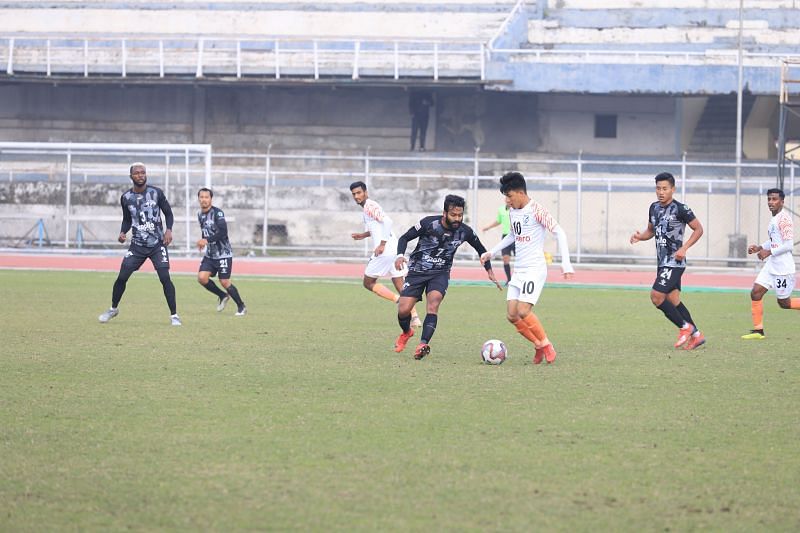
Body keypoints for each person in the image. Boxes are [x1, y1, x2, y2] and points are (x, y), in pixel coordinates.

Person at [480, 172, 574, 364]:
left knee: (523, 310)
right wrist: (492, 252)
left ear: (520, 193)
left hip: (534, 268)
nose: (507, 200)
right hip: (519, 270)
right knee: (512, 315)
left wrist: (566, 264)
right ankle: (538, 345)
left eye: (509, 196)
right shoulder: (512, 211)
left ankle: (547, 344)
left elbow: (560, 233)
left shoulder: (537, 210)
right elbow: (513, 235)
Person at [394, 194, 502, 360]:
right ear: (444, 213)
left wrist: (489, 270)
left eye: (460, 215)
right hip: (417, 270)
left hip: (440, 273)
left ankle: (423, 344)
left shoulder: (465, 231)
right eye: (453, 215)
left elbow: (481, 250)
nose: (457, 218)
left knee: (434, 303)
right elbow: (404, 238)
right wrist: (400, 255)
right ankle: (407, 332)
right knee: (403, 310)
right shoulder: (428, 223)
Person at [98, 162, 180, 326]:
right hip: (137, 245)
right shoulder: (126, 197)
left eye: (143, 172)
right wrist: (123, 232)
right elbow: (127, 219)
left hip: (157, 244)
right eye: (137, 173)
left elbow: (168, 214)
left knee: (165, 278)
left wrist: (169, 230)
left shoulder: (156, 193)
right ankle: (113, 309)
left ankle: (174, 316)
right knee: (122, 277)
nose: (140, 175)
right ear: (131, 176)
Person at [630, 172, 705, 350]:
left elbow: (699, 229)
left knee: (656, 296)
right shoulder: (653, 208)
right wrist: (641, 237)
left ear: (673, 189)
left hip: (675, 262)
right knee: (673, 299)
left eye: (665, 188)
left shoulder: (681, 209)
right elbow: (651, 231)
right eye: (658, 188)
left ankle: (685, 327)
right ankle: (697, 335)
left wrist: (684, 248)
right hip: (662, 262)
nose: (661, 192)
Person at [349, 181, 421, 328]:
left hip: (385, 250)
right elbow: (378, 226)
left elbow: (388, 222)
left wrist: (381, 244)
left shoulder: (370, 206)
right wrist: (363, 235)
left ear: (365, 192)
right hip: (394, 249)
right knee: (399, 283)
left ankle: (398, 300)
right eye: (354, 194)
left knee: (368, 283)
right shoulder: (368, 208)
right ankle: (415, 317)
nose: (356, 196)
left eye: (359, 193)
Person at [741, 188, 799, 339]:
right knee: (755, 292)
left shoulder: (784, 219)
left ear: (782, 202)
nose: (771, 202)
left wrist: (768, 252)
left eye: (774, 199)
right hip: (772, 266)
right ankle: (758, 331)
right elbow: (775, 241)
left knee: (784, 303)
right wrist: (760, 247)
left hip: (783, 269)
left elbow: (788, 245)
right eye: (769, 199)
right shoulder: (774, 219)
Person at [196, 187, 247, 316]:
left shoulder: (217, 213)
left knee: (224, 281)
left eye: (206, 197)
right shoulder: (199, 214)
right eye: (201, 197)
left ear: (211, 199)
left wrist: (206, 240)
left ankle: (241, 306)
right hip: (210, 255)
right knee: (202, 278)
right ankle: (223, 295)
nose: (204, 200)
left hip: (223, 254)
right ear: (198, 199)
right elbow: (206, 230)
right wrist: (204, 241)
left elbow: (223, 232)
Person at [482, 195, 515, 285]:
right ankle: (509, 280)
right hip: (506, 237)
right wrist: (487, 227)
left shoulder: (517, 210)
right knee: (505, 259)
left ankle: (520, 280)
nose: (508, 200)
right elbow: (498, 221)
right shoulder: (501, 210)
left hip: (517, 237)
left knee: (521, 260)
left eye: (510, 198)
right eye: (506, 198)